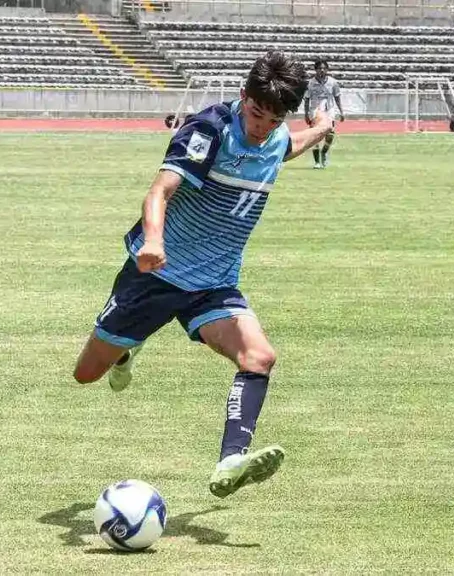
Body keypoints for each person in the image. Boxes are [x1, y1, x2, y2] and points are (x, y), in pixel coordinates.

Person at [72, 51, 334, 499]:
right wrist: (154, 240)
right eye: (255, 114)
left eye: (274, 119)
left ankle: (231, 459)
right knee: (86, 374)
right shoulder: (209, 130)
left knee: (259, 358)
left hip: (213, 285)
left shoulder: (273, 136)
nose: (261, 127)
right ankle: (124, 352)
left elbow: (286, 147)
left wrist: (322, 128)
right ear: (242, 96)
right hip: (155, 274)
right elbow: (161, 189)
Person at [303, 60, 344, 169]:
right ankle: (317, 162)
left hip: (329, 111)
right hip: (315, 111)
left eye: (324, 68)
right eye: (319, 68)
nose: (322, 70)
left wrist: (341, 111)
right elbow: (306, 99)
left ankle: (324, 152)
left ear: (327, 69)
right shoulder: (310, 83)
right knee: (315, 136)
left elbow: (337, 97)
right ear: (315, 70)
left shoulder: (333, 82)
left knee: (330, 135)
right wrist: (306, 114)